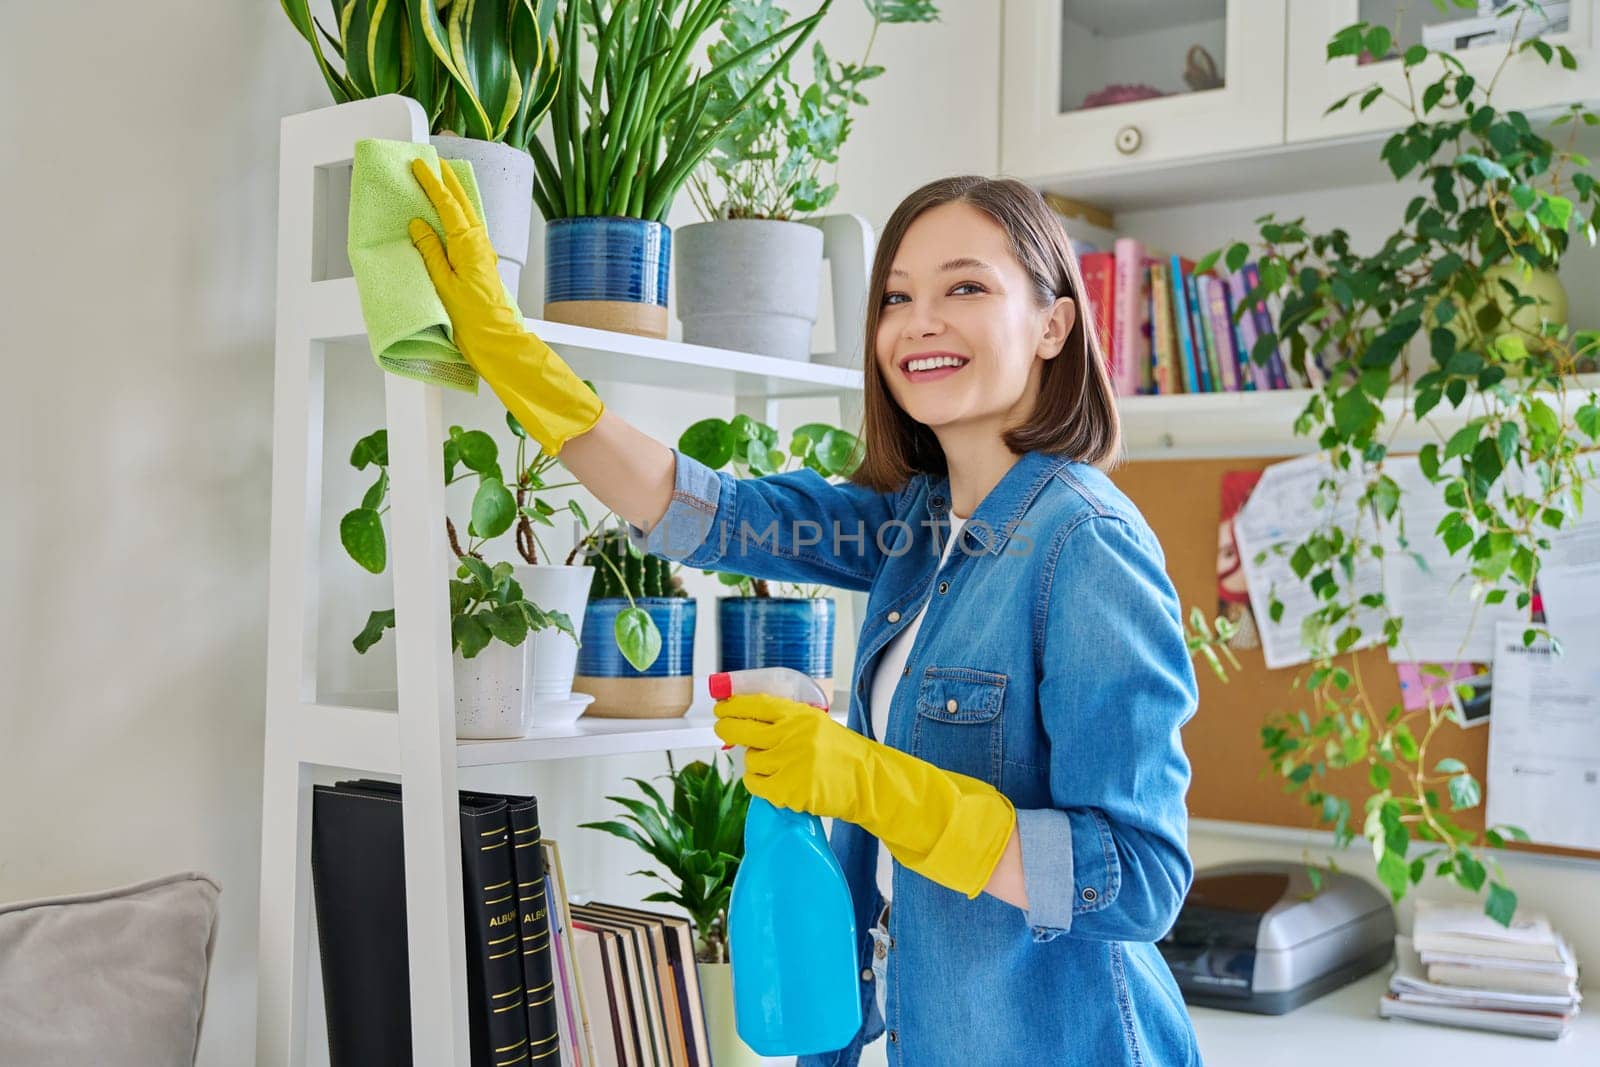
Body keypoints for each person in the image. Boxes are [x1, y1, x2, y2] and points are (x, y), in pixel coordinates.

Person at [408, 160, 1202, 1066]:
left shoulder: (1085, 544)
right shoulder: (918, 527)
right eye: (896, 297)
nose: (920, 322)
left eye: (966, 287)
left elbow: (1138, 879)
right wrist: (514, 355)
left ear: (1054, 323)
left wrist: (869, 781)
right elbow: (708, 512)